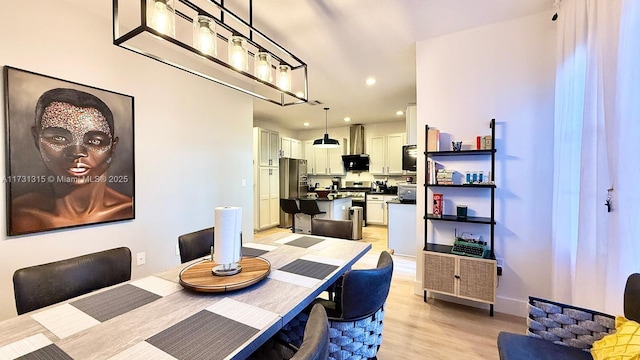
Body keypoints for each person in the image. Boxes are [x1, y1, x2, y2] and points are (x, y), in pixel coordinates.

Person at [10, 88, 133, 234]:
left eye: (94, 141)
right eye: (59, 138)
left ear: (113, 147)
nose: (77, 152)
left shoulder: (129, 210)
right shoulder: (18, 215)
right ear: (36, 139)